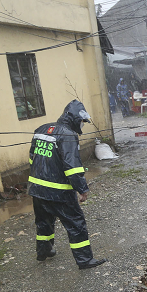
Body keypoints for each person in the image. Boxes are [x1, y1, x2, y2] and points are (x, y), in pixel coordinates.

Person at [27, 100, 106, 270]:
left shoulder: (41, 130)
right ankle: (85, 259)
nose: (82, 126)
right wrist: (82, 189)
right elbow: (72, 167)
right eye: (81, 122)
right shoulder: (68, 135)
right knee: (76, 224)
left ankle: (43, 251)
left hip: (37, 189)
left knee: (43, 221)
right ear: (74, 119)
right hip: (59, 192)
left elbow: (32, 158)